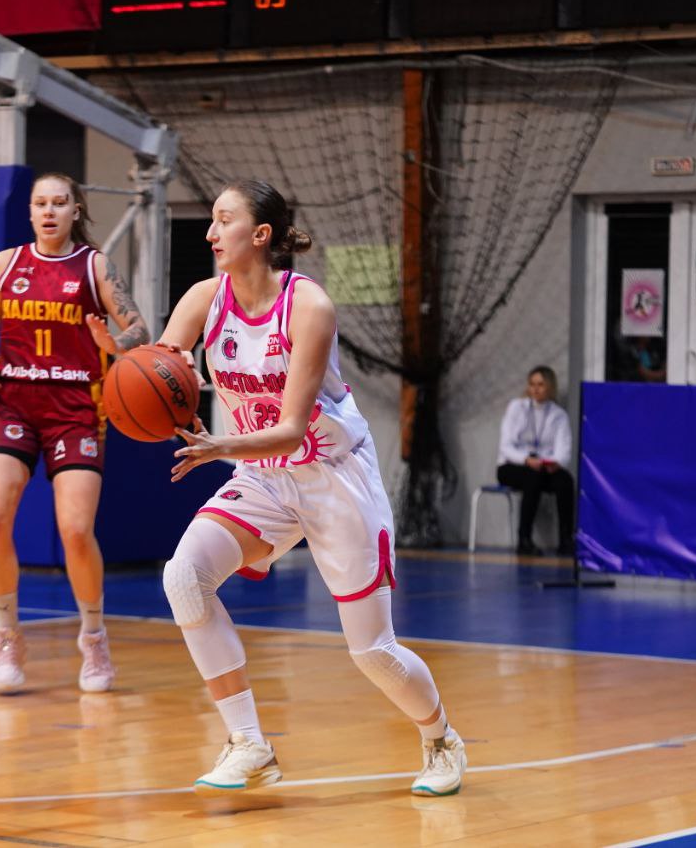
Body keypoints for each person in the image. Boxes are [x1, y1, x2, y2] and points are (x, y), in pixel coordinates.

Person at [157, 180, 466, 797]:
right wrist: (130, 365)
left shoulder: (309, 306)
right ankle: (249, 743)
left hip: (333, 477)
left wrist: (219, 447)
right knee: (184, 577)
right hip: (264, 477)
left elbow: (293, 428)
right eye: (211, 220)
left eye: (224, 219)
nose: (211, 232)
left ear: (260, 234)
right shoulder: (204, 299)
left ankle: (441, 739)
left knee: (372, 651)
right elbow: (157, 371)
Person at [0, 172, 150, 695]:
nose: (49, 211)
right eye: (40, 203)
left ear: (76, 211)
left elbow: (140, 328)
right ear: (30, 212)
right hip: (13, 402)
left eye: (59, 203)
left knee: (74, 529)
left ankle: (93, 636)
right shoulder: (6, 264)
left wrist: (114, 343)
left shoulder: (94, 266)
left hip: (75, 408)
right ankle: (7, 636)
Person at [495, 365, 575, 556]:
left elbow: (564, 450)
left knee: (565, 481)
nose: (536, 389)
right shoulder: (517, 407)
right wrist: (526, 459)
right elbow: (506, 446)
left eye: (541, 385)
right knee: (532, 477)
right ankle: (524, 539)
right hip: (512, 465)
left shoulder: (558, 415)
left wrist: (555, 463)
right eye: (532, 384)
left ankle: (566, 540)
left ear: (550, 387)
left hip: (543, 467)